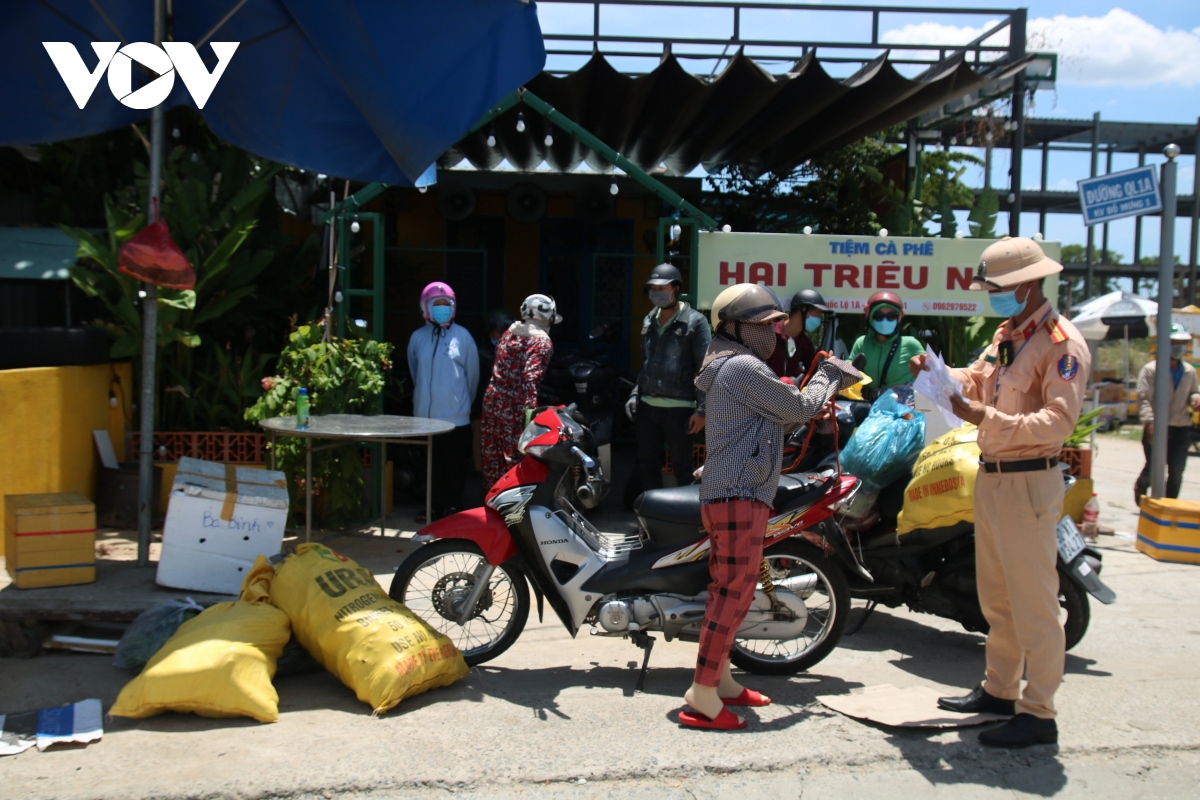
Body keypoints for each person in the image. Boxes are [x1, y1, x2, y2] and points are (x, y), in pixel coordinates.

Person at [912, 236, 1090, 749]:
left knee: (1033, 603)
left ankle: (1039, 712)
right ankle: (1000, 689)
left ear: (1027, 283)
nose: (991, 295)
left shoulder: (1061, 343)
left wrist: (984, 416)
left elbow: (1058, 421)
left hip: (1029, 480)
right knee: (998, 597)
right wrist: (943, 376)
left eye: (998, 287)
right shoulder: (1009, 333)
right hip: (992, 477)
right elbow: (981, 378)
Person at [680, 283, 862, 731]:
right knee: (733, 594)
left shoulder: (734, 365)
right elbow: (798, 406)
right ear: (735, 328)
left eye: (777, 324)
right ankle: (702, 693)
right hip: (738, 495)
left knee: (733, 591)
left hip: (737, 492)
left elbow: (776, 418)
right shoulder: (741, 366)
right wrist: (831, 374)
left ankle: (720, 680)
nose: (776, 332)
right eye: (766, 325)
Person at [625, 263, 711, 492]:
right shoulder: (649, 320)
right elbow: (645, 364)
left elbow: (706, 368)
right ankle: (650, 522)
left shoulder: (696, 322)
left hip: (680, 410)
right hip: (647, 408)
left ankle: (685, 522)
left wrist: (702, 410)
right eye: (653, 288)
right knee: (647, 466)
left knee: (683, 468)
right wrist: (635, 395)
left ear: (676, 289)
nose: (657, 292)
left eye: (662, 288)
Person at [407, 282, 479, 522]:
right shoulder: (417, 337)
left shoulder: (463, 336)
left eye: (445, 304)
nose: (441, 309)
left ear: (453, 306)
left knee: (454, 466)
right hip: (426, 419)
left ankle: (453, 507)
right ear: (425, 308)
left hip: (455, 417)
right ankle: (432, 507)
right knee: (429, 466)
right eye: (435, 305)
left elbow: (472, 376)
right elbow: (414, 371)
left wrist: (461, 403)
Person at [480, 294, 559, 491]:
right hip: (514, 407)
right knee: (514, 459)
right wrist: (530, 418)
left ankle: (491, 503)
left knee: (492, 457)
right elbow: (529, 380)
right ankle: (513, 511)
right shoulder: (542, 342)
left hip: (492, 401)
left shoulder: (509, 333)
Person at [1134, 323, 1200, 503]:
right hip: (1157, 426)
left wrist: (1195, 398)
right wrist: (1150, 422)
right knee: (1155, 465)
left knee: (1177, 469)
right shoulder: (1151, 370)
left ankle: (1169, 504)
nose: (1179, 347)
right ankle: (1141, 489)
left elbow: (1194, 391)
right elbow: (1144, 398)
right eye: (1175, 342)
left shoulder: (1189, 371)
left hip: (1181, 426)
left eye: (1183, 343)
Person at [850, 290, 924, 403]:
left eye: (891, 316)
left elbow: (930, 371)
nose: (885, 321)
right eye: (878, 316)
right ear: (870, 317)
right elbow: (849, 365)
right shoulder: (862, 343)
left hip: (906, 409)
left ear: (899, 317)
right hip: (872, 407)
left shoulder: (911, 344)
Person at [767, 288, 828, 379]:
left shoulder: (806, 345)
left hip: (789, 392)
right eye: (817, 314)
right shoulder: (769, 332)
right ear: (803, 309)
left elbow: (811, 377)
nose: (818, 319)